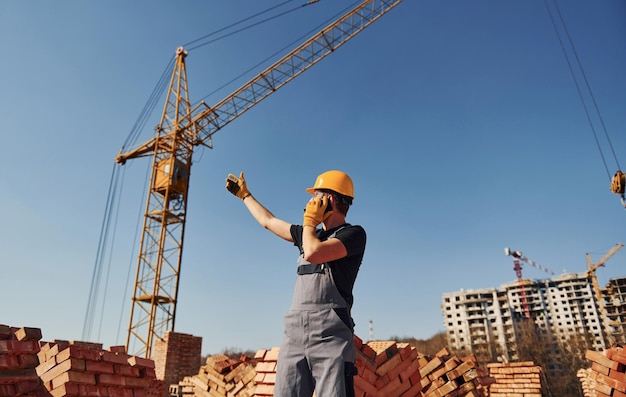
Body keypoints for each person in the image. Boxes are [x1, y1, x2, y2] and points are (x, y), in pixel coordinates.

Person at [225, 170, 366, 397]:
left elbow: (313, 253)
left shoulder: (353, 234)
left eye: (315, 195)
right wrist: (245, 196)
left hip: (331, 337)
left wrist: (310, 222)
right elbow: (268, 221)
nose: (310, 202)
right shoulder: (308, 235)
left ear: (329, 200)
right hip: (294, 337)